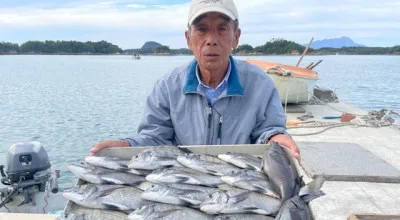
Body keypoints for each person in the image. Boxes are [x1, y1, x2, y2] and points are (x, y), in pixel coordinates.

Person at [90, 0, 300, 161]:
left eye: (222, 28)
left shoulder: (260, 84)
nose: (211, 39)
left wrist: (276, 138)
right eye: (201, 29)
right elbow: (156, 138)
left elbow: (267, 131)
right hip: (187, 182)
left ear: (236, 37)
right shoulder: (167, 87)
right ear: (188, 38)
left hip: (241, 180)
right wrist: (126, 145)